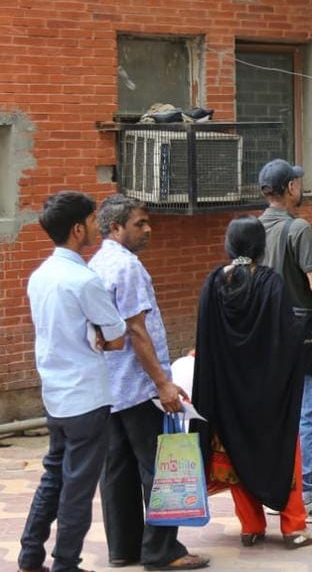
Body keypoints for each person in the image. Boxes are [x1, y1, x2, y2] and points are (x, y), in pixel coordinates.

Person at [89, 195, 209, 570]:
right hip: (139, 386)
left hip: (109, 386)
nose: (148, 229)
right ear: (115, 228)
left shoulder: (97, 263)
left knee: (117, 469)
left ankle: (123, 549)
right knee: (158, 468)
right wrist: (163, 383)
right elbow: (137, 330)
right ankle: (161, 550)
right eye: (139, 223)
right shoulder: (126, 267)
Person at [192, 216, 312, 549]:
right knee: (283, 454)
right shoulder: (270, 282)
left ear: (229, 245)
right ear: (260, 246)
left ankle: (251, 526)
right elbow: (286, 335)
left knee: (234, 455)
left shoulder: (213, 283)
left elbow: (205, 338)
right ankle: (294, 528)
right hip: (268, 391)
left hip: (227, 392)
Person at [21, 191, 129, 572]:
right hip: (86, 393)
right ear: (77, 228)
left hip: (56, 393)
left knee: (55, 474)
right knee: (78, 486)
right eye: (91, 220)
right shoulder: (84, 279)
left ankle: (30, 553)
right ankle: (65, 563)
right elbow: (117, 338)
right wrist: (100, 335)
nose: (95, 228)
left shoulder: (41, 276)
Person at [256, 158, 312, 525]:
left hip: (265, 331)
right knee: (311, 411)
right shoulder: (299, 228)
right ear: (290, 188)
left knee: (277, 411)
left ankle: (275, 486)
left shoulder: (254, 228)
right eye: (297, 183)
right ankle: (309, 492)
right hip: (300, 331)